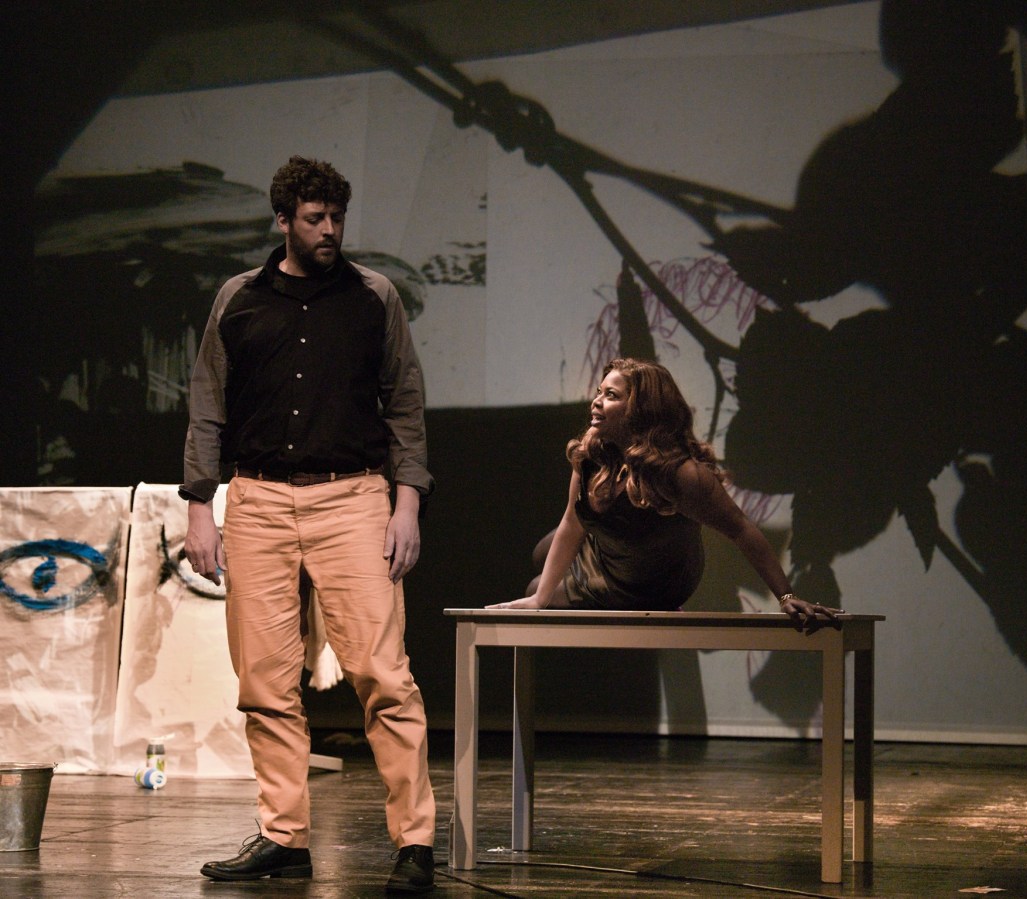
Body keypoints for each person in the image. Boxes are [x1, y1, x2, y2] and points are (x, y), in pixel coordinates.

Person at [180, 156, 437, 893]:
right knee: (264, 680)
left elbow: (405, 404)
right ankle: (283, 835)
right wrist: (200, 505)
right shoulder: (238, 299)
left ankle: (415, 841)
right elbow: (207, 404)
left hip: (351, 497)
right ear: (284, 221)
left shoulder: (372, 296)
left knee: (383, 675)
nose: (330, 230)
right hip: (257, 501)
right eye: (315, 218)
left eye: (337, 218)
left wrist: (407, 503)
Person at [487, 357, 843, 630]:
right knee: (542, 557)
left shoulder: (679, 473)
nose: (596, 402)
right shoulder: (592, 452)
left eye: (611, 396)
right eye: (599, 392)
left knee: (536, 585)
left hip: (653, 581)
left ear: (640, 410)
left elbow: (740, 528)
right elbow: (572, 521)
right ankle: (566, 576)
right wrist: (540, 600)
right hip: (611, 549)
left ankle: (612, 587)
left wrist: (786, 596)